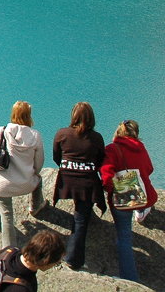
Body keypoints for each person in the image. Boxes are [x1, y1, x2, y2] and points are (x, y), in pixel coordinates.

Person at [100, 119, 156, 282]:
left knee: (124, 236)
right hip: (144, 195)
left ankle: (129, 278)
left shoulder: (112, 149)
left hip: (123, 197)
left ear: (118, 132)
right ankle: (141, 211)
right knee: (141, 203)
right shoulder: (141, 147)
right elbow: (150, 169)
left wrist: (112, 190)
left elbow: (106, 177)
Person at [0, 100, 46, 250]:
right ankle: (36, 207)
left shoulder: (3, 130)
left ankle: (9, 250)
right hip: (25, 183)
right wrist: (33, 174)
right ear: (28, 116)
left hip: (2, 184)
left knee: (6, 216)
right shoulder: (35, 135)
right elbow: (39, 162)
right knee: (39, 180)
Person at [52, 101, 104, 271]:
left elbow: (56, 157)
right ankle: (73, 259)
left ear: (73, 116)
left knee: (80, 214)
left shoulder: (62, 134)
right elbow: (100, 161)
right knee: (81, 220)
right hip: (86, 183)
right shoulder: (96, 138)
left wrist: (70, 166)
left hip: (66, 179)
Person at [0, 228, 65, 291]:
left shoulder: (9, 251)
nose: (56, 264)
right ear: (44, 262)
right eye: (56, 263)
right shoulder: (21, 288)